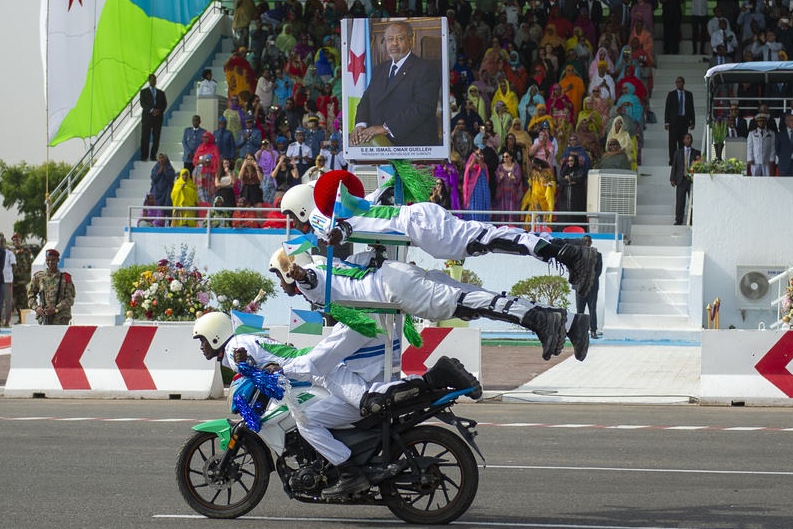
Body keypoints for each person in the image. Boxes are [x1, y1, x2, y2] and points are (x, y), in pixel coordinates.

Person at [192, 310, 479, 498]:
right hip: (312, 370)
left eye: (202, 341)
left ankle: (350, 470)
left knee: (313, 418)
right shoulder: (244, 340)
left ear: (215, 335)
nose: (201, 347)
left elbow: (266, 368)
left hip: (313, 370)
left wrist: (262, 370)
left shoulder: (232, 348)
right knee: (363, 398)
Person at [280, 173, 597, 299]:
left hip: (419, 225)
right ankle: (568, 251)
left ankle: (570, 255)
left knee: (489, 238)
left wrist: (344, 230)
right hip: (418, 225)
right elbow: (369, 206)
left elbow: (355, 220)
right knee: (489, 238)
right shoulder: (332, 208)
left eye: (295, 218)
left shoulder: (329, 216)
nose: (296, 226)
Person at [274, 245, 587, 363]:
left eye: (280, 276)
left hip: (394, 291)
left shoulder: (310, 281)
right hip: (397, 277)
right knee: (472, 302)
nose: (281, 283)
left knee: (472, 303)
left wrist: (297, 273)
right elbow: (373, 257)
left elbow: (309, 278)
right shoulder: (336, 264)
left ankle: (540, 321)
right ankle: (571, 322)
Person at [350, 21, 442, 147]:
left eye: (400, 38)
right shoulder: (379, 69)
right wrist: (360, 125)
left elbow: (422, 106)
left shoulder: (426, 69)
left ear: (411, 40)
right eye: (390, 39)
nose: (394, 43)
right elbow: (366, 99)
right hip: (379, 147)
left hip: (414, 147)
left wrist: (386, 128)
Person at [26, 249, 75, 325]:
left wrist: (55, 309)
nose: (50, 262)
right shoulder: (39, 277)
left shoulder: (65, 278)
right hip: (44, 319)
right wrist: (36, 308)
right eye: (48, 260)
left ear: (58, 260)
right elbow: (30, 295)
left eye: (53, 260)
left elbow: (70, 299)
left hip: (61, 319)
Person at [575, 236, 603, 339]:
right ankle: (579, 331)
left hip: (592, 287)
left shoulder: (598, 255)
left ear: (591, 242)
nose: (587, 243)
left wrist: (589, 280)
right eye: (584, 241)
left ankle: (593, 330)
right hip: (579, 286)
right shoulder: (577, 254)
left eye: (588, 241)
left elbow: (598, 270)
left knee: (592, 309)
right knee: (580, 310)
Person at [670, 133, 700, 226]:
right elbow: (674, 166)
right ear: (683, 140)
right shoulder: (678, 153)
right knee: (680, 201)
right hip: (681, 179)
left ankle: (692, 219)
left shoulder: (696, 153)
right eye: (687, 138)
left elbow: (699, 165)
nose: (689, 140)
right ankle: (679, 219)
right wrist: (672, 178)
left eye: (690, 138)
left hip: (691, 179)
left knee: (693, 200)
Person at [664, 77, 695, 165]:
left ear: (683, 83)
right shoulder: (671, 94)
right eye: (677, 82)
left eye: (680, 82)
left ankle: (682, 161)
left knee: (683, 142)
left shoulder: (689, 94)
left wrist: (692, 122)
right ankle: (672, 161)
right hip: (674, 121)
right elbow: (667, 109)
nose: (678, 84)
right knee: (672, 142)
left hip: (684, 121)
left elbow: (691, 109)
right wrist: (667, 122)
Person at [139, 73, 167, 162]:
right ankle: (144, 155)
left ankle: (153, 155)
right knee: (145, 137)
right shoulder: (143, 92)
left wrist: (158, 111)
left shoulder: (161, 93)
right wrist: (151, 110)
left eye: (155, 80)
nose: (153, 81)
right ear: (149, 81)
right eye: (152, 80)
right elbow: (142, 103)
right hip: (147, 117)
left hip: (157, 118)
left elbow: (164, 104)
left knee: (156, 137)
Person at [192, 131, 220, 204]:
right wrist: (201, 162)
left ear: (210, 138)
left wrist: (209, 162)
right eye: (203, 137)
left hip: (210, 175)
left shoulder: (214, 148)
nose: (204, 139)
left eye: (206, 137)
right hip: (199, 175)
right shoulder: (200, 148)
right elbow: (195, 160)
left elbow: (217, 160)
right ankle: (202, 210)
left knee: (210, 194)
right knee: (201, 194)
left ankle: (209, 211)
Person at [10, 233, 32, 325]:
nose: (16, 242)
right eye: (14, 241)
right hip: (15, 282)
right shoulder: (11, 252)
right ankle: (20, 318)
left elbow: (31, 264)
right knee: (16, 302)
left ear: (21, 241)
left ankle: (25, 319)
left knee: (24, 302)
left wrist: (30, 279)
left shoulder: (27, 251)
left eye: (17, 240)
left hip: (24, 281)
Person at [746, 112, 775, 177]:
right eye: (760, 121)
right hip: (755, 159)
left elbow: (773, 147)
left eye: (763, 121)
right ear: (757, 122)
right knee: (754, 177)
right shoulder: (752, 133)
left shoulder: (771, 133)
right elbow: (749, 147)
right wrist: (750, 158)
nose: (761, 123)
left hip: (766, 159)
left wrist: (772, 158)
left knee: (767, 177)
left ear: (766, 122)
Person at [150, 153, 176, 222]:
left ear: (166, 158)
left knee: (167, 209)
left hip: (167, 193)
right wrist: (161, 169)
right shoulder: (155, 168)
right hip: (156, 192)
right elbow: (154, 179)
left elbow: (171, 179)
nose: (161, 159)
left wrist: (164, 168)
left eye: (163, 157)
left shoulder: (169, 167)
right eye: (160, 158)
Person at [0, 234, 16, 326]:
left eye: (2, 242)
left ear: (5, 243)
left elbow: (13, 266)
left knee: (8, 302)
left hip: (7, 280)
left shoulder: (9, 253)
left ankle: (7, 321)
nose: (0, 244)